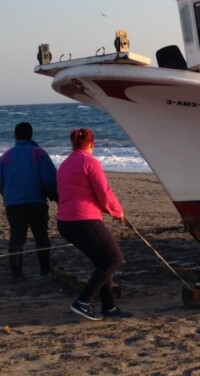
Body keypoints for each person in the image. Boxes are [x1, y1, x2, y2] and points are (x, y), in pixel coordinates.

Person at [56, 128, 130, 321]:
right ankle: (83, 301)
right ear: (92, 143)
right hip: (83, 220)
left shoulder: (65, 164)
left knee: (102, 261)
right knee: (114, 258)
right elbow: (104, 193)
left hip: (65, 222)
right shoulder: (90, 162)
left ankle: (109, 307)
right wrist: (117, 212)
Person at [0, 122, 58, 281]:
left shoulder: (5, 156)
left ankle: (17, 273)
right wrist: (55, 196)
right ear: (31, 135)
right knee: (41, 236)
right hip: (35, 201)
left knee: (17, 238)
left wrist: (7, 196)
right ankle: (44, 268)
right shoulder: (39, 153)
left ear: (15, 136)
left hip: (13, 203)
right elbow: (50, 179)